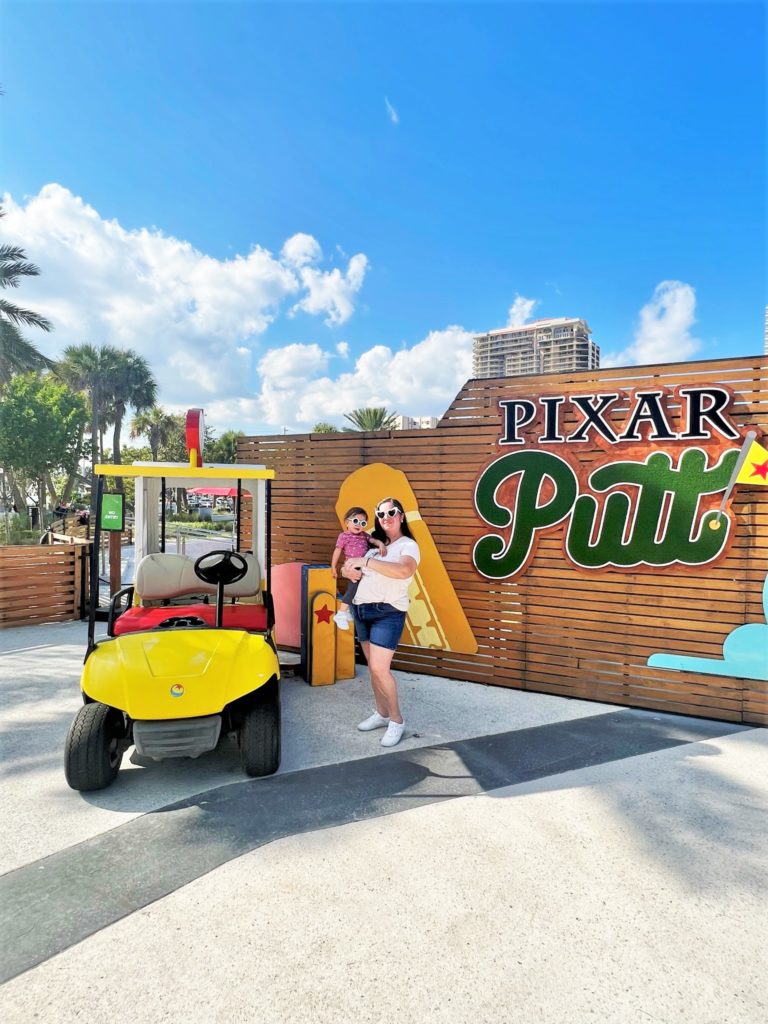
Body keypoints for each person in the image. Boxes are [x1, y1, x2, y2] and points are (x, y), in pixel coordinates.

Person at [341, 496, 420, 748]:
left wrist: (365, 561)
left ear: (401, 516)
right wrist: (347, 569)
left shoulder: (407, 546)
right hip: (362, 610)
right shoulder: (374, 546)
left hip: (387, 612)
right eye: (381, 514)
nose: (386, 518)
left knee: (379, 669)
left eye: (391, 513)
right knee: (373, 670)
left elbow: (404, 571)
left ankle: (396, 720)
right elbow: (353, 569)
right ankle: (381, 713)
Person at [331, 506, 386, 629]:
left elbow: (373, 539)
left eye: (363, 523)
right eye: (355, 521)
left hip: (364, 566)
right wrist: (333, 567)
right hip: (352, 566)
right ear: (347, 523)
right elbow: (337, 551)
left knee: (359, 589)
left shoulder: (364, 535)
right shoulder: (344, 536)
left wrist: (380, 544)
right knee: (353, 588)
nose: (358, 525)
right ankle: (341, 613)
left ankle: (348, 611)